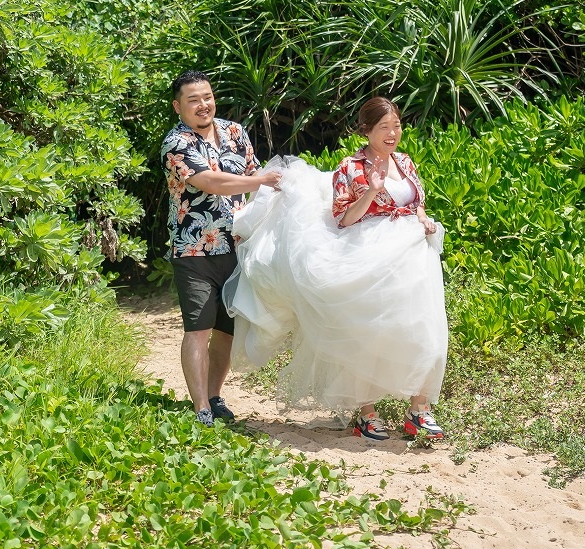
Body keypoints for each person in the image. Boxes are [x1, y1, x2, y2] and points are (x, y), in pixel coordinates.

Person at [225, 96, 448, 442]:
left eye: (397, 126)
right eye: (384, 128)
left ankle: (419, 410)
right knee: (368, 334)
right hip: (369, 255)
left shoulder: (404, 162)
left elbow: (415, 203)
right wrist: (371, 192)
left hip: (413, 257)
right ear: (367, 130)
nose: (392, 134)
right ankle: (367, 414)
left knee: (422, 329)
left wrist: (423, 219)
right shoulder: (351, 167)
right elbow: (344, 218)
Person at [161, 70, 281, 427]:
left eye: (208, 97)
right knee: (197, 329)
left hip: (237, 248)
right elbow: (210, 181)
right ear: (178, 106)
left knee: (226, 331)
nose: (203, 104)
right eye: (194, 100)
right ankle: (200, 408)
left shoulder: (234, 131)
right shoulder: (176, 142)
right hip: (194, 249)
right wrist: (257, 180)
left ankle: (214, 397)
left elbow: (255, 179)